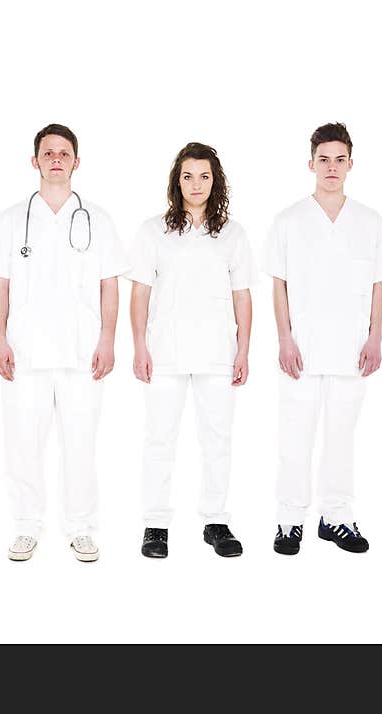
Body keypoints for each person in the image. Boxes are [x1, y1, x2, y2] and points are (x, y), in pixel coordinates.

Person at [0, 124, 129, 562]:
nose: (56, 159)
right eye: (48, 153)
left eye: (64, 153)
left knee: (81, 444)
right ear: (35, 161)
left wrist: (107, 339)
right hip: (25, 351)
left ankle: (81, 528)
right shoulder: (11, 220)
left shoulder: (97, 219)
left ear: (76, 162)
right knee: (23, 444)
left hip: (82, 351)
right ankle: (27, 526)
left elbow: (109, 284)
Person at [263, 122, 382, 555]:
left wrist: (375, 337)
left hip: (351, 350)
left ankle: (336, 517)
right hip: (301, 350)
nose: (332, 167)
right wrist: (284, 339)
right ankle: (289, 521)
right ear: (311, 164)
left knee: (342, 437)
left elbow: (377, 284)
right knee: (295, 437)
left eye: (340, 159)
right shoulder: (289, 220)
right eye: (324, 159)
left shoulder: (370, 222)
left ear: (351, 164)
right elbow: (278, 285)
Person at [127, 142, 255, 559]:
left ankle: (215, 520)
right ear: (176, 181)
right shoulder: (153, 231)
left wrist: (243, 351)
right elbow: (140, 293)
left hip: (218, 350)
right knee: (159, 439)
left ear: (214, 180)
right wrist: (139, 347)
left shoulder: (232, 233)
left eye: (203, 175)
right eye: (187, 176)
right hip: (165, 351)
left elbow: (243, 296)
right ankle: (155, 524)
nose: (195, 184)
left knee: (217, 438)